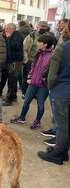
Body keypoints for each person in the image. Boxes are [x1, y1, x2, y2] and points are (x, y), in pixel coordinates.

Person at [38, 25, 70, 165]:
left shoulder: (63, 47)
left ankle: (58, 154)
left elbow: (52, 74)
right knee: (67, 125)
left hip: (62, 91)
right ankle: (62, 151)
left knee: (62, 125)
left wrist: (51, 88)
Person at [10, 34, 55, 129]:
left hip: (43, 86)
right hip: (33, 83)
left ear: (45, 44)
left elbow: (52, 72)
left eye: (39, 42)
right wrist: (29, 77)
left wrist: (46, 82)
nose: (37, 43)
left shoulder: (53, 55)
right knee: (26, 102)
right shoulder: (38, 53)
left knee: (40, 105)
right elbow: (33, 66)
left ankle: (37, 121)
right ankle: (22, 118)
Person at [22, 21, 53, 98]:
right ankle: (25, 92)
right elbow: (24, 48)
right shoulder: (31, 35)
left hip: (42, 61)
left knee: (39, 78)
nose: (43, 28)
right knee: (27, 77)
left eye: (44, 26)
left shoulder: (49, 36)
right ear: (37, 26)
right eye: (41, 26)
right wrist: (26, 59)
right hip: (30, 60)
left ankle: (35, 94)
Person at [0, 23, 23, 106]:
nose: (5, 30)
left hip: (15, 61)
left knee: (12, 80)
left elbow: (15, 46)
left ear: (12, 29)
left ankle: (9, 100)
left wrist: (8, 38)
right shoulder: (7, 35)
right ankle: (13, 96)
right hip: (8, 61)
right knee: (8, 78)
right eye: (5, 28)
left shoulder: (17, 35)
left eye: (7, 28)